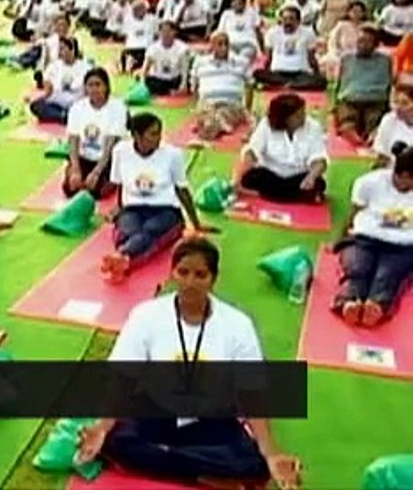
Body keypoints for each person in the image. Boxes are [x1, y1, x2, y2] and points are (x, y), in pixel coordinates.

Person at [76, 238, 301, 490]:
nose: (190, 282)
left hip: (210, 418)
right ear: (172, 273)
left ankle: (174, 462)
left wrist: (271, 453)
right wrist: (102, 427)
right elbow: (124, 378)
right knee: (113, 440)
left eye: (200, 275)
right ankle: (203, 475)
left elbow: (252, 394)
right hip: (156, 410)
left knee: (255, 464)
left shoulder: (238, 325)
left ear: (213, 279)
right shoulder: (146, 315)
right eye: (183, 272)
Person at [104, 113, 211, 283]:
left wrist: (195, 224)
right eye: (152, 134)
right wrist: (119, 208)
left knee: (151, 230)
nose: (158, 138)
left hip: (165, 210)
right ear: (137, 136)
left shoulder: (172, 154)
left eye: (159, 133)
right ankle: (123, 259)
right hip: (133, 208)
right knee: (127, 232)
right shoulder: (121, 151)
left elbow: (182, 189)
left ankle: (122, 257)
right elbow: (119, 184)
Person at [331, 149, 413, 327]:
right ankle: (349, 302)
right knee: (358, 268)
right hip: (365, 238)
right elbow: (354, 213)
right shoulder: (370, 182)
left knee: (387, 274)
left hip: (402, 246)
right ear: (404, 175)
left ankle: (376, 306)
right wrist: (340, 238)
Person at [237, 93, 328, 203]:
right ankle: (295, 196)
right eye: (298, 116)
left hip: (299, 176)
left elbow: (320, 160)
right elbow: (251, 152)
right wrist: (239, 176)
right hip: (271, 175)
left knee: (319, 183)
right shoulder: (266, 125)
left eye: (303, 113)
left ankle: (275, 195)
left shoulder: (313, 126)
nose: (303, 118)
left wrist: (311, 177)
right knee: (251, 177)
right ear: (285, 118)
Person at [64, 68, 128, 198]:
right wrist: (75, 169)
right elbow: (73, 139)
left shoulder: (118, 107)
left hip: (107, 159)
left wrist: (96, 172)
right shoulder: (77, 107)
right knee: (70, 189)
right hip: (84, 157)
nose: (94, 89)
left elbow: (111, 144)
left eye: (98, 84)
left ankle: (113, 179)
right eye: (90, 85)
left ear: (106, 86)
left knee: (97, 192)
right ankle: (72, 171)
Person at [189, 32, 255, 142]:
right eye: (220, 44)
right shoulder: (200, 62)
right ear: (212, 45)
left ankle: (209, 129)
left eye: (226, 44)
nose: (224, 47)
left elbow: (250, 86)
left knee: (221, 114)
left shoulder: (241, 62)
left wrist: (247, 109)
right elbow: (194, 86)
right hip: (207, 103)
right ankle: (217, 125)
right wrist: (196, 108)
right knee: (208, 112)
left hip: (232, 104)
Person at [333, 26, 393, 146]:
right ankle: (352, 134)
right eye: (360, 41)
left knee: (374, 120)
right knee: (347, 117)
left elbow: (391, 83)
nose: (363, 45)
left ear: (376, 44)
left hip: (375, 99)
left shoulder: (386, 60)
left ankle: (373, 134)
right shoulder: (346, 58)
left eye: (368, 42)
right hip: (350, 98)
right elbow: (339, 83)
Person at [254, 6, 326, 90]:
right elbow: (269, 58)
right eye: (284, 19)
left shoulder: (308, 33)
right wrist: (266, 72)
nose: (287, 22)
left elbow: (311, 58)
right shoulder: (272, 33)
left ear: (298, 21)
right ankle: (292, 85)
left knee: (321, 81)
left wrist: (317, 74)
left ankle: (285, 86)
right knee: (257, 74)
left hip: (300, 73)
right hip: (278, 73)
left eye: (291, 19)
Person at [29, 37, 91, 124]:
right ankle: (64, 116)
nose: (59, 52)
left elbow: (89, 92)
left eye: (62, 49)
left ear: (72, 49)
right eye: (59, 49)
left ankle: (66, 116)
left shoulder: (86, 67)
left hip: (76, 103)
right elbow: (47, 90)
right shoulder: (53, 66)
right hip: (56, 103)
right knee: (36, 105)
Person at [141, 22, 191, 96]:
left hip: (174, 78)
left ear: (174, 32)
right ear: (159, 33)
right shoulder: (153, 48)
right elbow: (145, 68)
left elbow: (184, 69)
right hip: (159, 79)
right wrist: (142, 85)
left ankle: (168, 91)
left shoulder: (183, 48)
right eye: (163, 31)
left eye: (169, 31)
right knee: (150, 82)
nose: (166, 34)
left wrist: (183, 85)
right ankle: (169, 92)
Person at [371, 84, 413, 166]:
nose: (399, 107)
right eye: (396, 103)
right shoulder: (389, 120)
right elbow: (381, 156)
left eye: (405, 103)